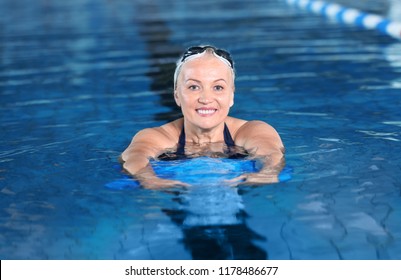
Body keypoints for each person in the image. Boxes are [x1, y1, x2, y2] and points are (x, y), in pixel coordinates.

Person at [121, 45, 285, 189]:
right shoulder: (158, 136)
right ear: (177, 95)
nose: (206, 99)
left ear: (231, 96)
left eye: (218, 87)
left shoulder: (251, 130)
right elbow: (135, 157)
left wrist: (267, 173)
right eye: (193, 87)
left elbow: (271, 154)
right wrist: (151, 180)